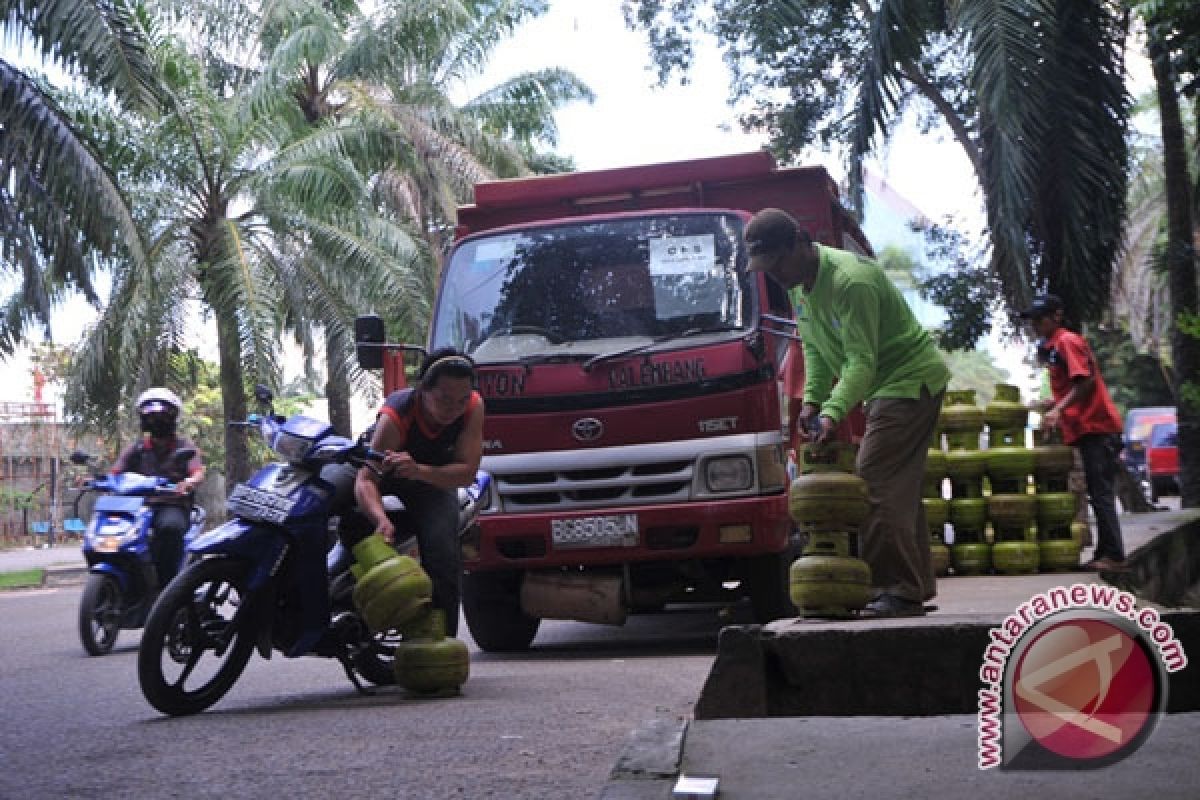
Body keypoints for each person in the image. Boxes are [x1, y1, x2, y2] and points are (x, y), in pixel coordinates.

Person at [745, 208, 949, 617]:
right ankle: (914, 587)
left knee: (872, 487)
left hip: (908, 382)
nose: (776, 273)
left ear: (800, 243)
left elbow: (860, 361)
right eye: (767, 267)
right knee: (897, 492)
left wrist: (833, 412)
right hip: (883, 389)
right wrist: (813, 402)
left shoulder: (849, 281)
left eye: (778, 262)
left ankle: (896, 590)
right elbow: (817, 350)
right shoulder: (800, 286)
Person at [354, 348, 485, 636]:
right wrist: (380, 520)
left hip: (431, 480)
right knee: (342, 512)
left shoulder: (473, 408)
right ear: (423, 390)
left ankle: (442, 642)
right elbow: (366, 479)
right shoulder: (396, 414)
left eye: (462, 400)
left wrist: (419, 471)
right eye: (444, 400)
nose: (454, 409)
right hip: (384, 472)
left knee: (442, 554)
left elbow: (466, 473)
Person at [1021, 293, 1127, 571]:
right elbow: (1073, 387)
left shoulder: (1068, 342)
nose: (1036, 325)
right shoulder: (1056, 347)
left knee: (1101, 492)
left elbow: (1086, 382)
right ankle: (1105, 553)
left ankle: (1114, 556)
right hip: (1086, 428)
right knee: (1097, 490)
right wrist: (1054, 403)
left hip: (1097, 427)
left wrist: (1058, 410)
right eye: (1034, 320)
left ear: (1056, 317)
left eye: (1040, 319)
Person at [110, 387, 205, 587]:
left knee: (170, 528)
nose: (156, 420)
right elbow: (116, 472)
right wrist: (95, 480)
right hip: (137, 507)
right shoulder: (137, 448)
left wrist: (188, 482)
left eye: (161, 415)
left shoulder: (184, 446)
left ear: (172, 417)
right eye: (150, 416)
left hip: (171, 504)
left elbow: (197, 471)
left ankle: (167, 587)